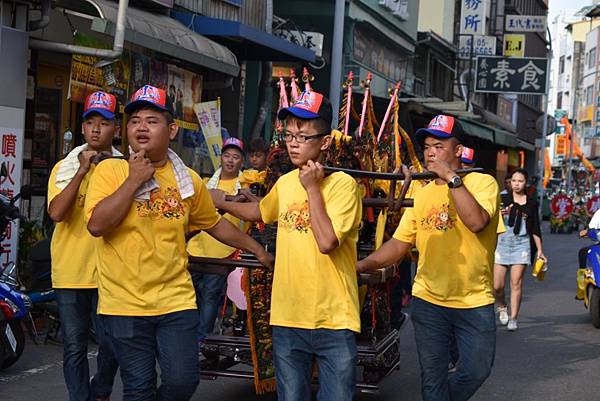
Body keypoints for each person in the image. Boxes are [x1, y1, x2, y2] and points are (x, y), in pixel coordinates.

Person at [84, 85, 273, 401]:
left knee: (183, 381)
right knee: (139, 389)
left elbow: (214, 225)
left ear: (171, 129)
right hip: (123, 304)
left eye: (152, 120)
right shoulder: (110, 170)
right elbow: (97, 225)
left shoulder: (189, 180)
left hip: (176, 301)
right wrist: (133, 180)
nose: (141, 127)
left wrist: (256, 249)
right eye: (135, 121)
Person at [213, 90, 362, 401]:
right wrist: (222, 202)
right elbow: (260, 211)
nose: (293, 143)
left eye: (303, 136)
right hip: (287, 317)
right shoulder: (285, 183)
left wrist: (312, 189)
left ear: (324, 142)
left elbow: (327, 241)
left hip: (333, 319)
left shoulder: (344, 185)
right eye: (289, 135)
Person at [357, 115, 501, 401]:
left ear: (458, 151)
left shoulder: (483, 183)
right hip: (429, 301)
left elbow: (476, 222)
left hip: (474, 301)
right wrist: (362, 265)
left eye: (438, 145)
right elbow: (399, 244)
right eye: (426, 146)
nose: (430, 152)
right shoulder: (421, 194)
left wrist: (451, 178)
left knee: (476, 370)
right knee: (432, 379)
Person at [47, 91, 120, 401]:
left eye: (103, 123)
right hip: (71, 273)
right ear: (82, 128)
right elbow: (56, 213)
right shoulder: (63, 168)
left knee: (112, 342)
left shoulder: (123, 169)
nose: (95, 129)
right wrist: (81, 170)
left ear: (115, 129)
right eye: (90, 122)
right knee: (74, 345)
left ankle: (101, 389)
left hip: (110, 273)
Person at [187, 137, 248, 343]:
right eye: (227, 155)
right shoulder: (205, 183)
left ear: (242, 161)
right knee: (190, 296)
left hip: (223, 251)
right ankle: (188, 337)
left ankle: (201, 340)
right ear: (220, 158)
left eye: (236, 157)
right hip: (196, 248)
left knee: (211, 297)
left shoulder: (245, 185)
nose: (230, 160)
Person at [494, 168, 546, 331]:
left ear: (525, 183)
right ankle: (502, 305)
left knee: (516, 283)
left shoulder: (531, 203)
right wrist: (500, 213)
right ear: (510, 182)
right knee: (497, 286)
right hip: (502, 243)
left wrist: (540, 251)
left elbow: (535, 229)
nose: (516, 184)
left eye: (520, 181)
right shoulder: (502, 199)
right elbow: (489, 219)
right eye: (514, 181)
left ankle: (513, 318)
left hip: (521, 245)